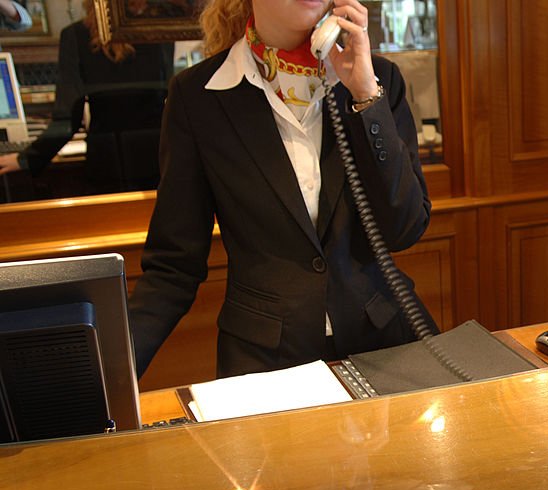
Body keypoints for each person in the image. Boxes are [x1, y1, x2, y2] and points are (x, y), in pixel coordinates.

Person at [127, 0, 435, 378]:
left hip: (382, 347)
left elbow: (405, 227)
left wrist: (366, 97)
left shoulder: (376, 79)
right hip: (265, 363)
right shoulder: (197, 96)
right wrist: (107, 371)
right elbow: (173, 266)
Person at [0, 2, 173, 193]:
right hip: (158, 159)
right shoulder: (162, 30)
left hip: (108, 161)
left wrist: (27, 159)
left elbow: (68, 118)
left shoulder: (76, 35)